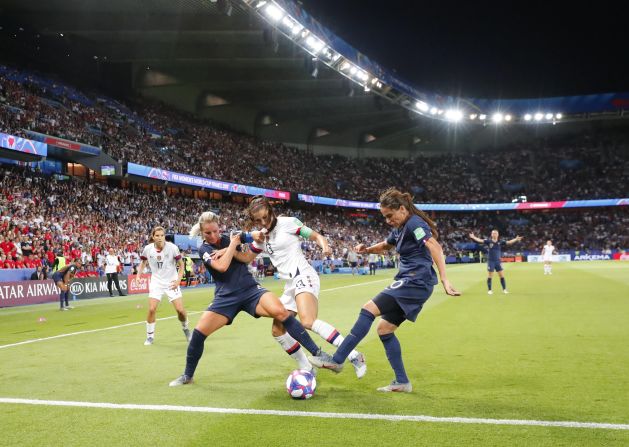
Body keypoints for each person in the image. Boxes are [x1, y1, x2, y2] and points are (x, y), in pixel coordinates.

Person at [309, 188, 460, 392]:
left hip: (416, 280)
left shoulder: (414, 223)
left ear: (402, 209)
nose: (388, 220)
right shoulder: (400, 228)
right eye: (385, 217)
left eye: (390, 216)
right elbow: (386, 245)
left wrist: (444, 279)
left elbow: (435, 247)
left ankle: (338, 359)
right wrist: (367, 250)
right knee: (384, 330)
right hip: (413, 282)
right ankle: (402, 382)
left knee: (368, 309)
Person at [169, 211, 331, 386]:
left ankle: (317, 353)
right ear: (202, 233)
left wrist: (252, 235)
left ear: (219, 227)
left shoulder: (232, 236)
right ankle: (187, 376)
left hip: (250, 290)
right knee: (199, 334)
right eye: (208, 233)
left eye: (216, 231)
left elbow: (255, 235)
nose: (214, 236)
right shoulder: (204, 249)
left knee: (281, 312)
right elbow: (222, 267)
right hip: (225, 297)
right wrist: (232, 245)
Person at [238, 196, 367, 378]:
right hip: (290, 285)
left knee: (307, 321)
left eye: (265, 217)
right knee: (278, 330)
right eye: (258, 220)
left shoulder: (288, 223)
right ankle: (307, 367)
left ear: (271, 211)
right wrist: (226, 249)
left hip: (303, 275)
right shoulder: (260, 237)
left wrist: (325, 247)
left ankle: (354, 356)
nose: (263, 222)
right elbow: (245, 258)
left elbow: (316, 236)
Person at [136, 227, 189, 346]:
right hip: (156, 282)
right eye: (157, 236)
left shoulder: (173, 248)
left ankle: (185, 328)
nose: (160, 238)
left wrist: (178, 281)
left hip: (171, 282)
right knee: (151, 309)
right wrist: (138, 276)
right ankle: (150, 336)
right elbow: (143, 263)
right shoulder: (148, 249)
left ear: (164, 236)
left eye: (162, 235)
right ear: (153, 237)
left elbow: (181, 265)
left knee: (180, 311)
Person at [469, 230, 523, 295]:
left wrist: (516, 239)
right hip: (491, 261)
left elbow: (509, 242)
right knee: (490, 276)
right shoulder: (488, 241)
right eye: (493, 233)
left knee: (501, 276)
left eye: (496, 233)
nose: (494, 234)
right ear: (491, 235)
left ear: (498, 235)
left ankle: (504, 289)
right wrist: (473, 237)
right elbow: (480, 240)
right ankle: (489, 290)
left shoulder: (500, 242)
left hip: (498, 261)